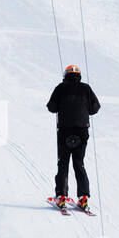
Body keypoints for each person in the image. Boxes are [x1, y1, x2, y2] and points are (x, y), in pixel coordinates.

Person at [46, 65, 100, 209]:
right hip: (82, 131)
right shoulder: (86, 88)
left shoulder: (60, 88)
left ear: (66, 75)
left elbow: (51, 107)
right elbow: (95, 108)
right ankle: (83, 198)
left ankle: (61, 196)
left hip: (64, 131)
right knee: (79, 163)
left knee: (63, 162)